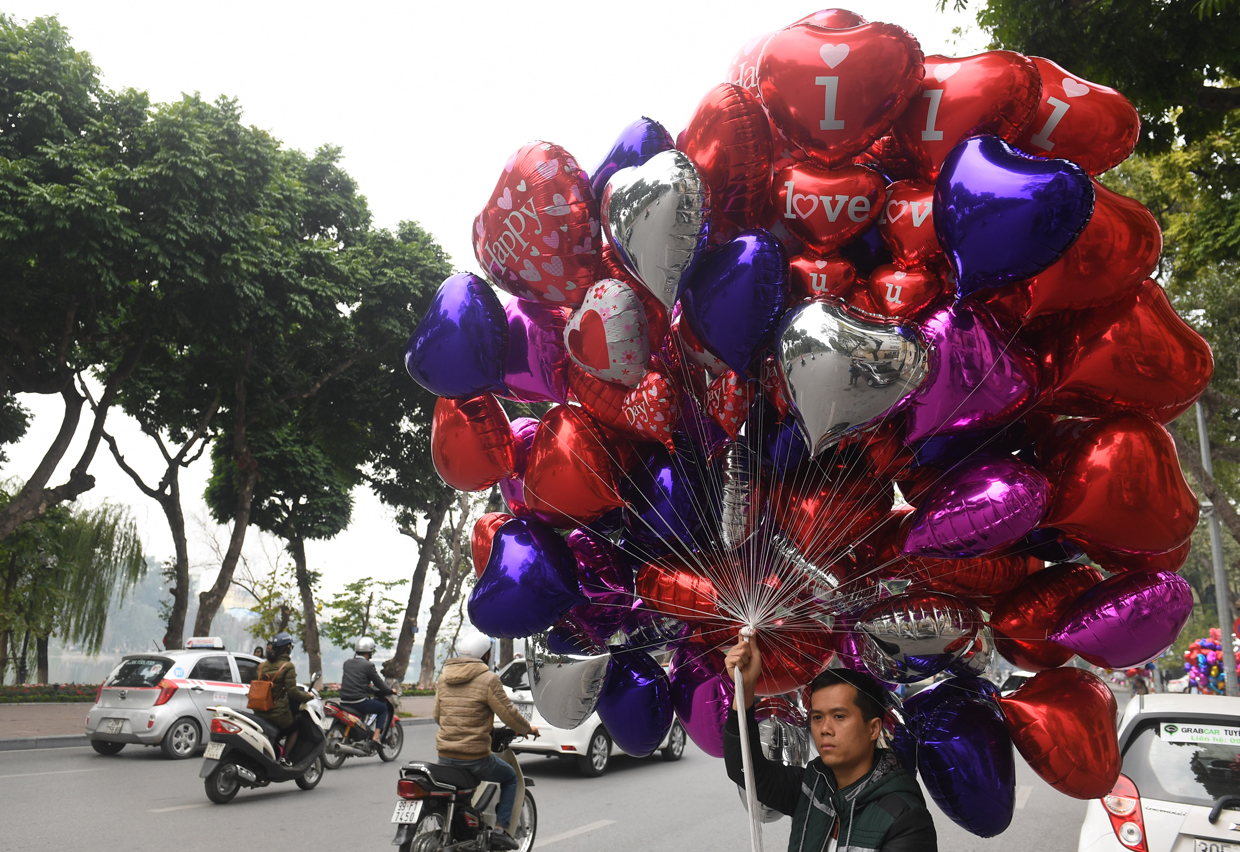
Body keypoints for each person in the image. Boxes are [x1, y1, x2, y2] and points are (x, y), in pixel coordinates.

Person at [724, 632, 937, 852]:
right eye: (817, 717)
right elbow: (744, 769)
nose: (824, 729)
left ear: (873, 728)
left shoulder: (906, 818)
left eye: (839, 716)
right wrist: (746, 687)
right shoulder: (811, 786)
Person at [434, 632, 539, 852]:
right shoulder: (488, 679)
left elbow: (437, 715)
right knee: (510, 777)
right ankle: (500, 832)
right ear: (487, 655)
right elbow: (509, 713)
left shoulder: (444, 677)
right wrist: (527, 728)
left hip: (444, 757)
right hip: (474, 758)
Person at [255, 632, 315, 766]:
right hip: (276, 711)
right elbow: (292, 693)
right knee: (294, 728)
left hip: (259, 710)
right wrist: (308, 697)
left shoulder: (261, 666)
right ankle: (285, 758)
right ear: (287, 647)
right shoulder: (287, 666)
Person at [339, 636, 398, 752]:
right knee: (382, 708)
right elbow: (379, 683)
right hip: (358, 702)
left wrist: (367, 687)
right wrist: (390, 691)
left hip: (344, 701)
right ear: (369, 651)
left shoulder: (347, 663)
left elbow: (354, 679)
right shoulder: (368, 665)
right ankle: (376, 738)